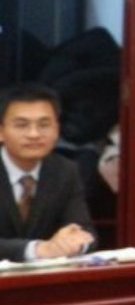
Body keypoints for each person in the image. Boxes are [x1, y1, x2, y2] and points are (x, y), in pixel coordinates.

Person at [0, 81, 94, 260]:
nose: (34, 134)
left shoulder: (65, 171)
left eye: (44, 125)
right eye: (22, 125)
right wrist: (37, 250)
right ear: (1, 132)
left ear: (57, 130)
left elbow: (84, 229)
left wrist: (75, 243)